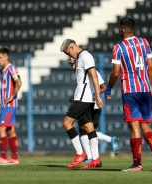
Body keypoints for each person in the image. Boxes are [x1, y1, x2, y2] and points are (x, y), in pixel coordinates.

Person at [105, 17, 152, 172]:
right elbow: (150, 66)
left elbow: (116, 73)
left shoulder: (119, 47)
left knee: (134, 125)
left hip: (130, 91)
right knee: (145, 123)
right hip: (145, 89)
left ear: (122, 29)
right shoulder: (144, 42)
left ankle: (137, 164)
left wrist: (109, 88)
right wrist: (150, 85)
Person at [60, 39, 104, 169]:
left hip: (82, 98)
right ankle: (96, 160)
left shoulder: (85, 56)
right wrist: (73, 66)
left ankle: (80, 154)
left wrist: (97, 96)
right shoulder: (80, 58)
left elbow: (94, 76)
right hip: (85, 98)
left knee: (67, 123)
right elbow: (82, 78)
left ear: (73, 47)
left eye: (68, 53)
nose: (69, 56)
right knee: (89, 128)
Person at [75, 68, 119, 162]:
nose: (71, 60)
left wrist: (92, 94)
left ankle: (91, 156)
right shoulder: (80, 72)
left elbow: (103, 87)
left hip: (93, 105)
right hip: (88, 104)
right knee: (86, 130)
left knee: (85, 129)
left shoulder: (92, 71)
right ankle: (110, 140)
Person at [0, 48, 22, 165]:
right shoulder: (3, 70)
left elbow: (19, 82)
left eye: (0, 57)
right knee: (10, 130)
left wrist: (12, 96)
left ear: (6, 57)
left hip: (9, 105)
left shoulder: (11, 68)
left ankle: (3, 157)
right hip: (6, 105)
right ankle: (14, 158)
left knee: (1, 129)